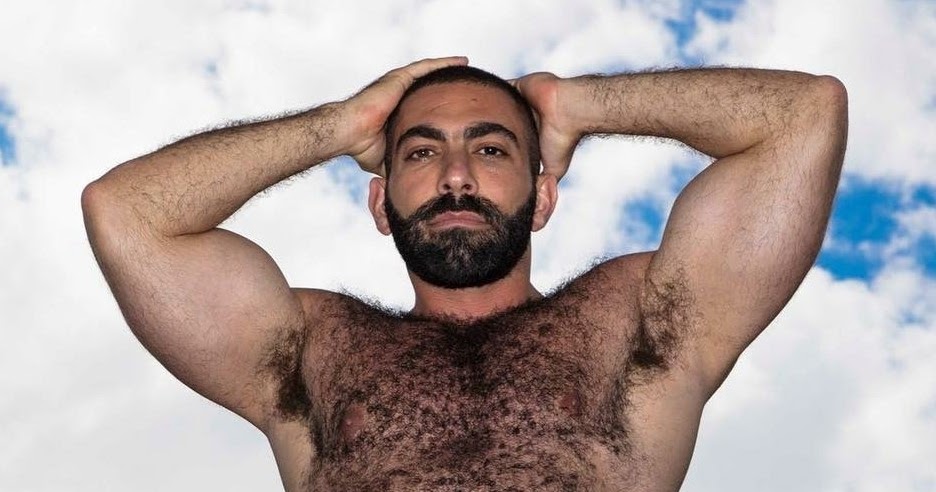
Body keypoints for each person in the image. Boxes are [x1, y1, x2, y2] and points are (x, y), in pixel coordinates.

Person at [81, 56, 848, 490]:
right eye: (421, 151)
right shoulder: (312, 348)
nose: (455, 176)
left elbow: (803, 115)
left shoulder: (637, 320)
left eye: (490, 148)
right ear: (381, 204)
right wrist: (341, 125)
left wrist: (576, 104)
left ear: (542, 197)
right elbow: (125, 212)